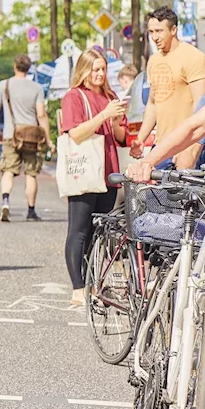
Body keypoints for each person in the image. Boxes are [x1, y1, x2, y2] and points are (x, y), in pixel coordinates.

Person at [59, 48, 127, 306]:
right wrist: (104, 115)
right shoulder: (74, 97)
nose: (100, 74)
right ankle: (78, 287)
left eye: (103, 69)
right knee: (79, 229)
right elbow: (75, 133)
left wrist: (118, 120)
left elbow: (119, 137)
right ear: (84, 70)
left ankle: (93, 282)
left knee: (101, 230)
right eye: (95, 69)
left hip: (108, 172)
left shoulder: (110, 95)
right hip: (84, 171)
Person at [137, 7, 205, 169]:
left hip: (185, 146)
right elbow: (153, 104)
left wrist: (188, 147)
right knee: (152, 194)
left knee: (184, 194)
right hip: (161, 145)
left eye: (159, 31)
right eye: (151, 32)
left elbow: (202, 106)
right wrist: (141, 139)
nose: (154, 37)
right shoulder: (154, 61)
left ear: (174, 30)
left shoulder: (193, 57)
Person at [0, 55, 52, 222]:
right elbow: (41, 114)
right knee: (31, 173)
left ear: (14, 66)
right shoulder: (37, 88)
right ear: (29, 68)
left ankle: (5, 201)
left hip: (11, 135)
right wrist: (48, 138)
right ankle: (31, 211)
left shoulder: (4, 85)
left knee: (8, 171)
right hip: (32, 137)